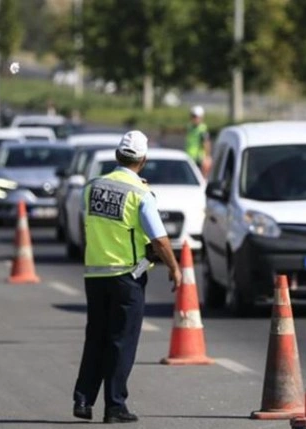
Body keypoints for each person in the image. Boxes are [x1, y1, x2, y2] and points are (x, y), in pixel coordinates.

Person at [72, 130, 183, 423]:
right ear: (143, 160)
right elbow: (158, 240)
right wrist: (174, 267)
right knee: (121, 341)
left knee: (95, 337)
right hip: (126, 276)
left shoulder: (92, 187)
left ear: (117, 156)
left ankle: (83, 400)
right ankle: (114, 405)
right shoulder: (140, 194)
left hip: (94, 274)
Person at [184, 105, 212, 177]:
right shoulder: (189, 127)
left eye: (196, 117)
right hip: (189, 156)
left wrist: (207, 157)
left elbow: (206, 143)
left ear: (201, 118)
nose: (194, 119)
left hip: (198, 159)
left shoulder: (202, 129)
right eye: (193, 116)